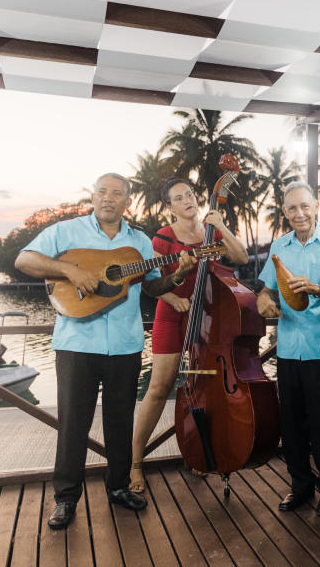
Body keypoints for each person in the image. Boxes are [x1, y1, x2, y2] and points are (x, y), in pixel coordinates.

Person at [15, 173, 196, 530]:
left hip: (126, 346)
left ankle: (118, 487)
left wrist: (178, 276)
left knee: (119, 421)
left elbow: (152, 286)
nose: (109, 199)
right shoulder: (66, 232)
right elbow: (24, 260)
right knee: (73, 425)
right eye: (102, 192)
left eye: (117, 194)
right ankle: (66, 499)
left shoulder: (140, 242)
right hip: (76, 345)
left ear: (128, 201)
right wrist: (66, 268)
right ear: (93, 197)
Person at [129, 178, 248, 494]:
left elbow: (241, 258)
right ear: (170, 207)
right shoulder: (163, 237)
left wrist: (221, 223)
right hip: (172, 314)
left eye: (190, 195)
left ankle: (197, 451)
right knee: (159, 387)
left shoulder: (212, 233)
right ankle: (135, 463)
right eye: (178, 198)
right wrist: (174, 298)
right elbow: (150, 281)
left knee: (205, 385)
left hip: (208, 317)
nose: (187, 201)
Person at [256, 181, 320, 517]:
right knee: (292, 423)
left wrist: (316, 289)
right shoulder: (279, 248)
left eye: (304, 206)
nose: (299, 213)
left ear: (316, 207)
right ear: (284, 212)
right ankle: (300, 486)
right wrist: (265, 303)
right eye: (292, 208)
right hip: (288, 350)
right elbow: (265, 291)